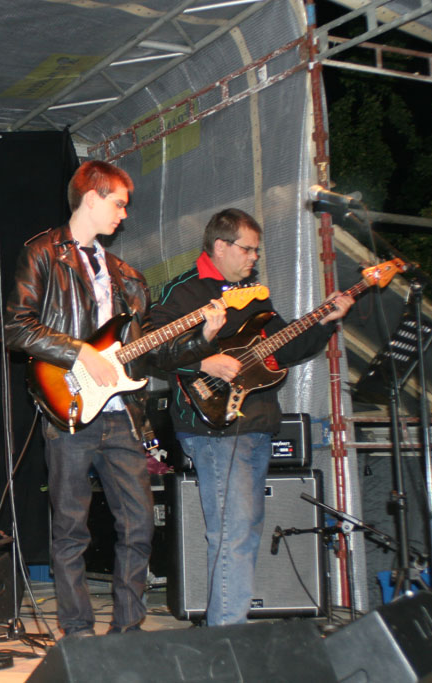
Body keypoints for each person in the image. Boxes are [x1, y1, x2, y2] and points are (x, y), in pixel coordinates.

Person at [4, 160, 225, 637]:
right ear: (91, 197)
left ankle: (128, 631)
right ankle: (79, 633)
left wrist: (202, 337)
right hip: (68, 409)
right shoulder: (42, 254)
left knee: (139, 524)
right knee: (71, 530)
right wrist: (81, 352)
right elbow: (16, 328)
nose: (124, 214)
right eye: (119, 204)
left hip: (123, 414)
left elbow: (155, 353)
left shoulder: (128, 276)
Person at [147, 207, 353, 626]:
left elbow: (285, 348)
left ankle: (227, 627)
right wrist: (203, 362)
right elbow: (151, 351)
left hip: (256, 422)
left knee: (243, 530)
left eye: (257, 251)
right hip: (213, 424)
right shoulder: (182, 292)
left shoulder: (253, 294)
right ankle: (228, 634)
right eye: (248, 249)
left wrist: (325, 323)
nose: (254, 257)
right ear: (220, 246)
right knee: (234, 532)